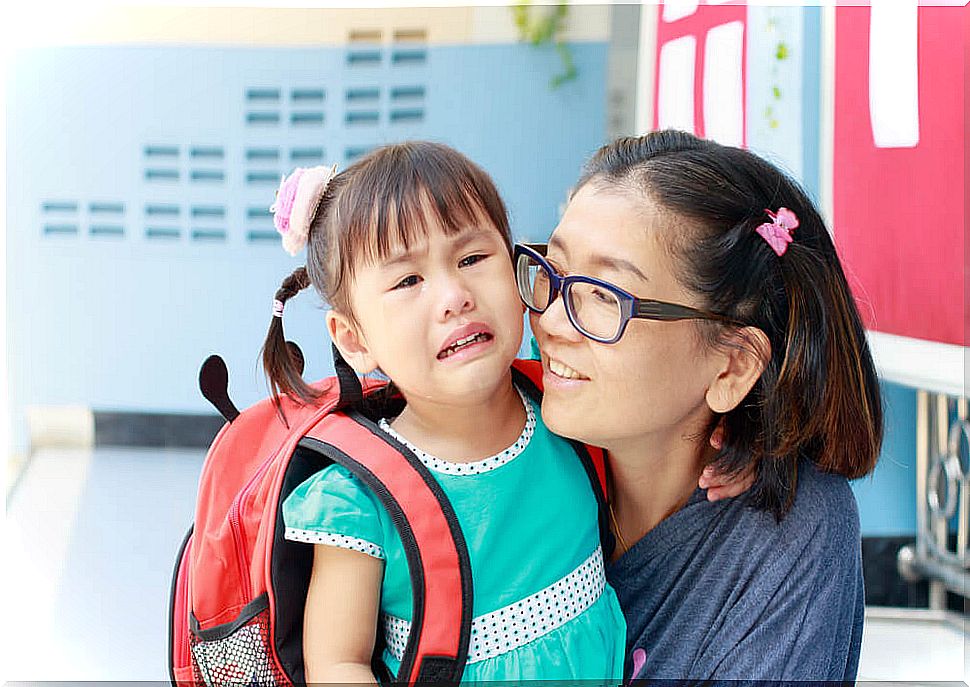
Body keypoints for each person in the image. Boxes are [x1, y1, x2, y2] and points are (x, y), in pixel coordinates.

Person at [516, 130, 883, 681]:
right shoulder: (505, 453)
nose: (550, 322)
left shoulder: (789, 528)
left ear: (731, 366)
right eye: (556, 273)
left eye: (604, 295)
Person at [261, 141, 628, 684]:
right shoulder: (359, 498)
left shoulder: (565, 399)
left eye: (473, 259)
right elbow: (337, 664)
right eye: (408, 280)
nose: (455, 295)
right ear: (354, 338)